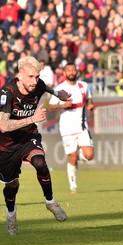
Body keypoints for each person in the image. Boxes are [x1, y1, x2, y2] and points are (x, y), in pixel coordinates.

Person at [0, 56, 71, 236]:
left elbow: (44, 87)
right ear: (20, 76)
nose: (35, 81)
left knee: (40, 162)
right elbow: (3, 126)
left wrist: (58, 94)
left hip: (28, 136)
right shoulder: (7, 92)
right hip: (6, 144)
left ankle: (50, 202)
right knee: (12, 185)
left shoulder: (37, 84)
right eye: (31, 77)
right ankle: (11, 214)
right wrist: (32, 118)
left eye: (37, 76)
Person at [49, 62, 94, 193]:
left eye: (73, 70)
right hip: (67, 128)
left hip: (82, 126)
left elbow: (89, 100)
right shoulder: (60, 88)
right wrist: (62, 106)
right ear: (64, 73)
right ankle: (73, 184)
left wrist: (90, 105)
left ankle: (78, 155)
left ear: (77, 72)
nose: (71, 72)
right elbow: (51, 107)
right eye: (68, 70)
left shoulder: (84, 86)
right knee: (72, 157)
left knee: (89, 155)